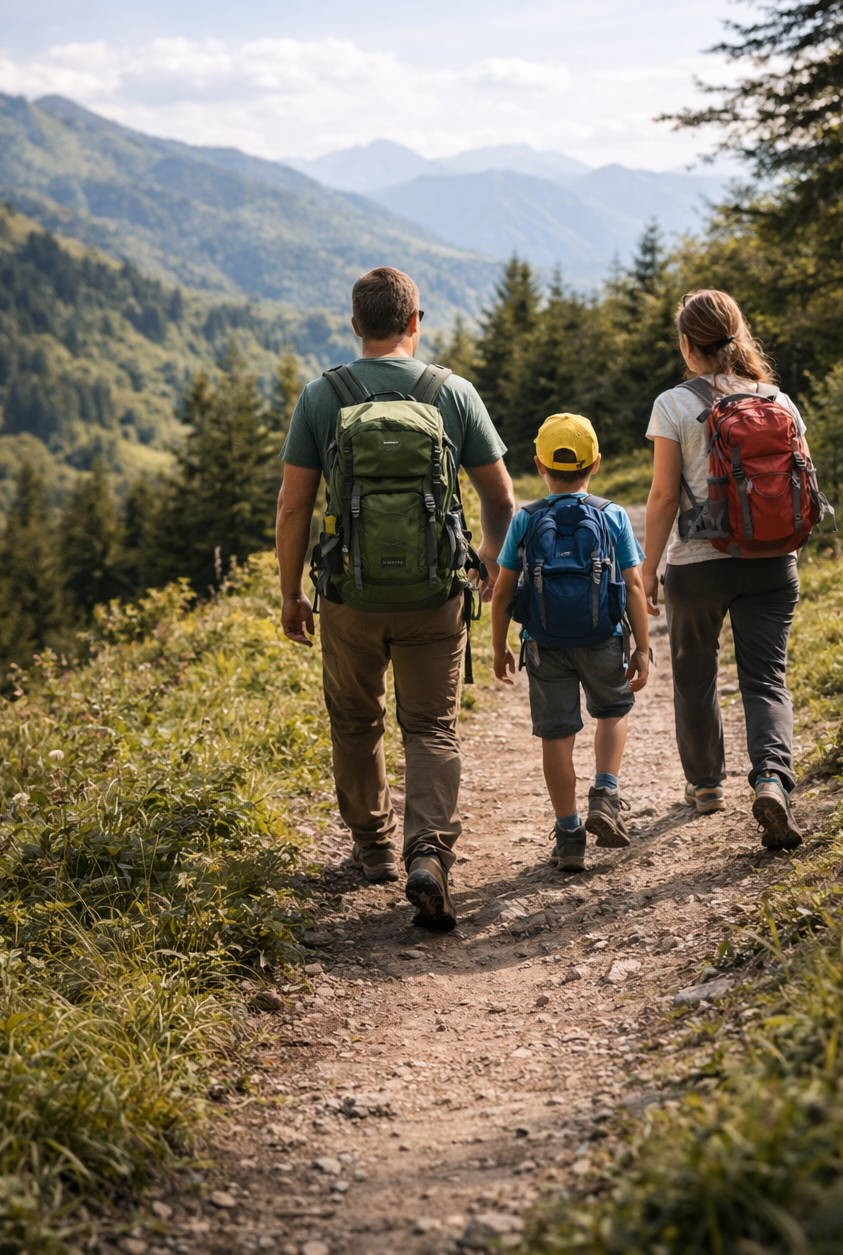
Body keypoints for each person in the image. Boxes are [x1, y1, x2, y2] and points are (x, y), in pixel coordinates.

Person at [275, 266, 515, 928]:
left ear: (356, 326)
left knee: (356, 722)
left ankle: (373, 846)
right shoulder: (452, 392)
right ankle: (429, 854)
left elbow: (294, 508)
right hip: (434, 593)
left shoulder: (323, 397)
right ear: (416, 323)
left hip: (350, 594)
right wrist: (491, 562)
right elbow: (501, 497)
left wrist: (292, 593)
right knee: (431, 727)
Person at [641, 288, 809, 849]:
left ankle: (707, 786)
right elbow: (799, 485)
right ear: (738, 336)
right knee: (766, 678)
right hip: (772, 559)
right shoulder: (779, 401)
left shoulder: (673, 404)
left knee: (694, 676)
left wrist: (647, 569)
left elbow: (664, 497)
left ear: (688, 344)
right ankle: (771, 780)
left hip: (697, 562)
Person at [492, 413, 651, 871]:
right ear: (596, 463)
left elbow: (503, 590)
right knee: (613, 711)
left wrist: (499, 645)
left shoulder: (525, 520)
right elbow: (634, 587)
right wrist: (641, 647)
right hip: (603, 637)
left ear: (539, 464)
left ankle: (568, 835)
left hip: (544, 644)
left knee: (557, 736)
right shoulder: (613, 515)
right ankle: (605, 792)